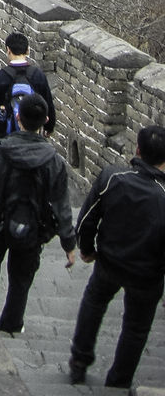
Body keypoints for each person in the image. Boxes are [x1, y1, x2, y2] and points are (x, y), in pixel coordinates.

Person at [0, 93, 76, 337]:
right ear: (45, 120)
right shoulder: (54, 162)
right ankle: (12, 322)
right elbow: (61, 205)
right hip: (34, 228)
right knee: (21, 276)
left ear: (17, 117)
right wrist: (69, 243)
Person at [68, 125, 165, 388]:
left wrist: (86, 249)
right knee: (136, 328)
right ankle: (118, 383)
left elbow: (88, 218)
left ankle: (79, 363)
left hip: (109, 262)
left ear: (137, 149)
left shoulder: (113, 177)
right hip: (147, 276)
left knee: (94, 303)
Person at [0, 32, 56, 144]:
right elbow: (48, 103)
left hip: (4, 132)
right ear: (28, 51)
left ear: (8, 50)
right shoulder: (38, 75)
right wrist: (49, 127)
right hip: (31, 131)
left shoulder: (0, 76)